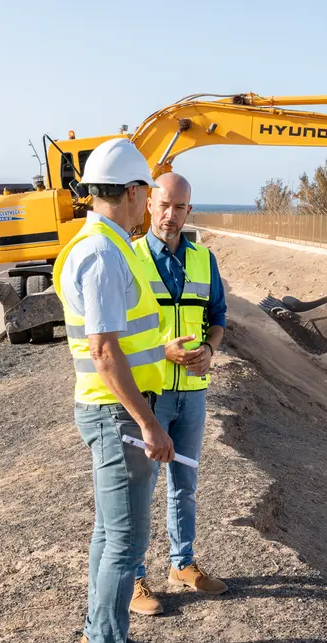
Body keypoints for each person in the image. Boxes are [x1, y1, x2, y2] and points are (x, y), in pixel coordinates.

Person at [51, 138, 175, 643]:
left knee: (110, 535)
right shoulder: (102, 252)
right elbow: (104, 350)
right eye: (148, 191)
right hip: (115, 413)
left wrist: (163, 352)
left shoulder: (105, 242)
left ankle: (106, 637)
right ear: (131, 191)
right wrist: (149, 423)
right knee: (124, 541)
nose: (151, 201)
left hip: (111, 408)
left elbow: (123, 338)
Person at [127, 173, 229, 617]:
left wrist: (210, 349)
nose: (171, 215)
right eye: (164, 205)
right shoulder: (128, 259)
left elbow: (219, 316)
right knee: (138, 489)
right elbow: (115, 336)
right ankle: (132, 579)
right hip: (149, 395)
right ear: (150, 204)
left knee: (184, 485)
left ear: (190, 210)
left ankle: (182, 564)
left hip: (193, 395)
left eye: (180, 207)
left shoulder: (205, 260)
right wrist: (159, 351)